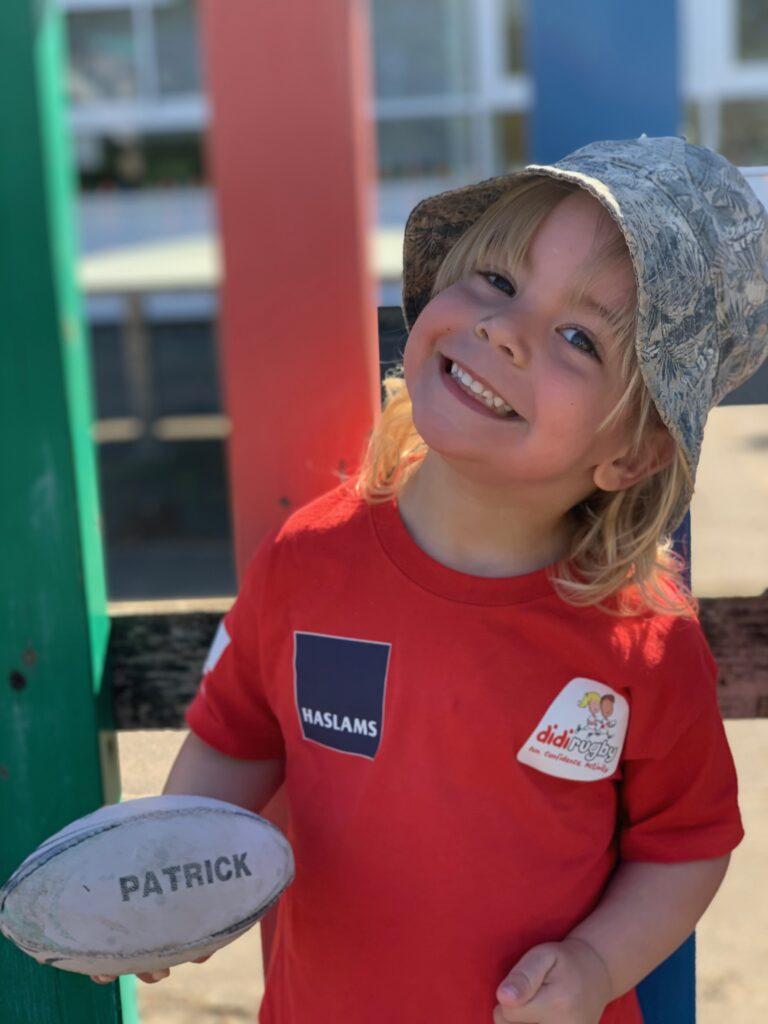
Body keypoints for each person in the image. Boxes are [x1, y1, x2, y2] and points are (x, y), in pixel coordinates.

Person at [95, 136, 768, 1022]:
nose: (502, 329)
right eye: (495, 279)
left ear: (633, 451)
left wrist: (598, 965)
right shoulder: (307, 560)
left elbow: (685, 844)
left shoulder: (642, 638)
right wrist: (175, 876)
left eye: (577, 337)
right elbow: (238, 737)